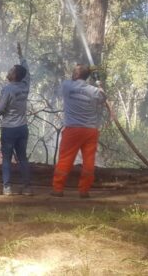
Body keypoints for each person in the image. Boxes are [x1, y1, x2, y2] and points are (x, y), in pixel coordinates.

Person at [51, 64, 106, 198]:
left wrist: (88, 70)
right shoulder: (95, 91)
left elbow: (66, 84)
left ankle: (58, 189)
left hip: (72, 130)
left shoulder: (67, 86)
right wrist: (98, 82)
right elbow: (103, 98)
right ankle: (84, 190)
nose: (72, 73)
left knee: (65, 159)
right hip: (90, 131)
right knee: (89, 161)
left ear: (76, 75)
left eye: (74, 71)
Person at [0, 43, 32, 196]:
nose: (8, 72)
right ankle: (27, 187)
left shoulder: (8, 89)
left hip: (9, 128)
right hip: (23, 128)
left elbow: (0, 109)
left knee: (7, 159)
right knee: (22, 158)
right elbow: (27, 72)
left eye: (11, 70)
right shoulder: (25, 86)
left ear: (14, 75)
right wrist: (21, 56)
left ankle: (7, 187)